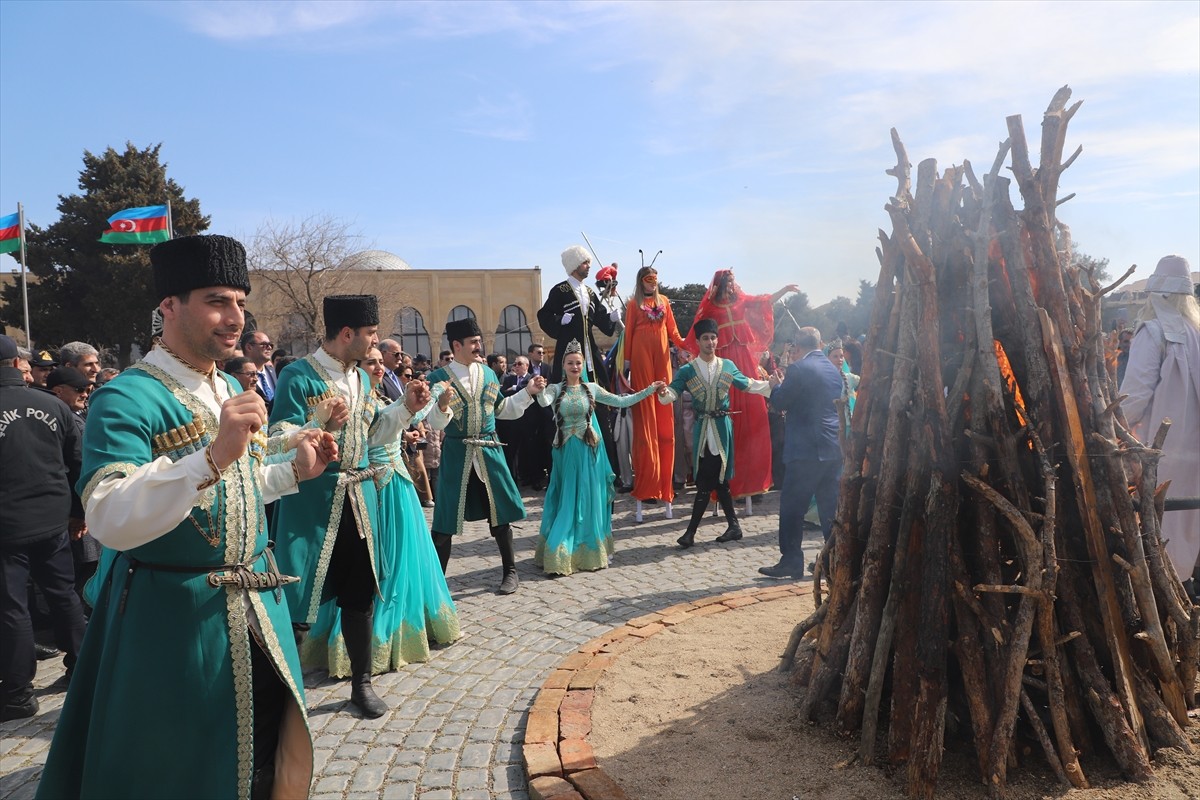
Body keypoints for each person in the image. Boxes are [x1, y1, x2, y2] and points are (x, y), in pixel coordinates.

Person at [37, 235, 337, 799]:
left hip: (258, 609)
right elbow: (108, 515)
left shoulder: (224, 386)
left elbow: (237, 489)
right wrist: (210, 456)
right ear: (169, 306)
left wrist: (294, 472)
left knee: (264, 756)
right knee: (185, 770)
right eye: (217, 301)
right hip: (175, 622)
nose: (235, 318)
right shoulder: (127, 397)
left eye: (240, 302)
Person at [270, 294, 434, 719]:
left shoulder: (361, 378)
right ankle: (283, 696)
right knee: (298, 596)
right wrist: (316, 424)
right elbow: (276, 440)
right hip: (313, 505)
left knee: (360, 593)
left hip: (360, 501)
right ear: (347, 334)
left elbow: (373, 432)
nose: (376, 341)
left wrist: (406, 408)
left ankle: (362, 683)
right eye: (371, 333)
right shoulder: (297, 376)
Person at [304, 347, 460, 677]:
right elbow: (375, 433)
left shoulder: (386, 396)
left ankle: (411, 626)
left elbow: (422, 416)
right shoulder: (356, 404)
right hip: (372, 489)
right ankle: (370, 638)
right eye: (370, 362)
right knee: (378, 564)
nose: (377, 367)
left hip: (399, 485)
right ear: (356, 367)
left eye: (379, 362)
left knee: (406, 559)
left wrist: (440, 402)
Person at [423, 317, 547, 594]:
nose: (479, 346)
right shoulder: (437, 379)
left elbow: (502, 410)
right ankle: (436, 584)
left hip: (489, 451)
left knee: (499, 515)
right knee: (444, 521)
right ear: (457, 345)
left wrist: (528, 392)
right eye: (474, 342)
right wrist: (442, 406)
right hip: (457, 453)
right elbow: (435, 421)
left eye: (479, 341)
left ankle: (510, 571)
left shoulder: (488, 374)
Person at [0, 335, 87, 723]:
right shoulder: (52, 404)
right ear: (16, 365)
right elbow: (78, 462)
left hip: (8, 526)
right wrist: (78, 512)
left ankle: (18, 693)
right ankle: (81, 666)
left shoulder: (51, 403)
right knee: (62, 593)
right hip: (53, 517)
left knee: (12, 606)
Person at [535, 340, 662, 575]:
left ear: (583, 366)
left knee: (588, 499)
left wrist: (649, 390)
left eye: (578, 363)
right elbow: (543, 402)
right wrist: (539, 389)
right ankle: (560, 548)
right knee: (567, 499)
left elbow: (621, 400)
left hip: (589, 452)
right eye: (570, 363)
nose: (574, 367)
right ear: (563, 365)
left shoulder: (592, 389)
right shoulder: (554, 388)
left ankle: (589, 547)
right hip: (565, 453)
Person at [658, 319, 777, 548]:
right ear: (698, 341)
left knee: (706, 480)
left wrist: (770, 386)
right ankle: (733, 526)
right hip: (703, 428)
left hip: (722, 428)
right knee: (718, 480)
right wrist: (664, 392)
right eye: (706, 338)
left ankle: (691, 533)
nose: (710, 342)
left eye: (713, 338)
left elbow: (747, 384)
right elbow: (672, 392)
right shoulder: (688, 370)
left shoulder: (727, 366)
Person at [685, 270, 798, 508]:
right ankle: (730, 485)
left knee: (754, 419)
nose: (732, 287)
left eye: (733, 283)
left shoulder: (741, 300)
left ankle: (753, 483)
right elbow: (696, 331)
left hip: (745, 362)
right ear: (719, 285)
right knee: (728, 423)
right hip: (724, 363)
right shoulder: (710, 307)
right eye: (728, 283)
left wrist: (784, 290)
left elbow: (764, 301)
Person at [1119, 254, 1200, 584]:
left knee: (1159, 526)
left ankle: (1165, 592)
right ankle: (1183, 586)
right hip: (1194, 452)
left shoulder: (1152, 332)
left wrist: (1112, 429)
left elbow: (1134, 397)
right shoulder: (1197, 334)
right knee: (1187, 524)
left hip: (1159, 452)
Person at [760, 326, 842, 578]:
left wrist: (775, 386)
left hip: (806, 449)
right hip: (832, 446)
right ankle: (834, 559)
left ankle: (791, 560)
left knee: (792, 507)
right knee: (830, 508)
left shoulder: (798, 368)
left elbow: (781, 401)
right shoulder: (832, 368)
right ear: (819, 343)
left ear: (797, 346)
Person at [620, 265, 687, 522]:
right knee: (645, 416)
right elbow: (628, 333)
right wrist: (627, 365)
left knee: (664, 409)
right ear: (641, 281)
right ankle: (646, 482)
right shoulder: (633, 304)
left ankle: (665, 483)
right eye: (649, 279)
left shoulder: (665, 302)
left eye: (655, 279)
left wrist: (686, 344)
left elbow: (673, 331)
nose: (653, 283)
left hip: (662, 356)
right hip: (641, 357)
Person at [43, 367, 101, 601]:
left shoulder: (69, 417)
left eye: (88, 390)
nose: (85, 394)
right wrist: (79, 513)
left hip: (76, 508)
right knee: (82, 573)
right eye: (79, 390)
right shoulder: (68, 420)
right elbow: (78, 467)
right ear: (58, 391)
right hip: (76, 510)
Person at [240, 329, 276, 411]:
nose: (269, 348)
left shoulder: (274, 372)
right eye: (264, 345)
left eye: (270, 345)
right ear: (249, 347)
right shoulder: (239, 375)